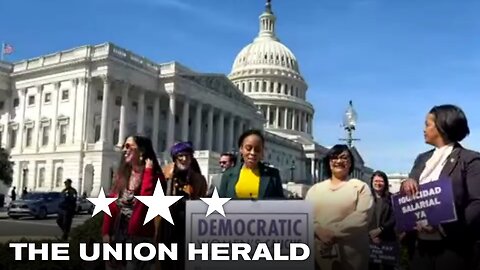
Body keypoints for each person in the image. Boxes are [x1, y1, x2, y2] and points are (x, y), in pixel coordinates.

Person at [400, 104, 480, 270]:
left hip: (453, 248)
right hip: (420, 247)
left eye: (427, 124)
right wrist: (406, 183)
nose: (423, 129)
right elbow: (410, 185)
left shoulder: (470, 159)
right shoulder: (422, 159)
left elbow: (477, 203)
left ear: (443, 126)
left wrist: (443, 227)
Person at [305, 144, 373, 270]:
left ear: (351, 163)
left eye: (344, 158)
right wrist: (317, 229)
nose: (339, 161)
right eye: (334, 158)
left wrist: (331, 232)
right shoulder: (314, 189)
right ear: (328, 162)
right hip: (319, 255)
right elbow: (306, 216)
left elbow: (362, 216)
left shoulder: (360, 187)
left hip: (351, 257)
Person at [102, 135, 164, 270]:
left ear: (141, 151)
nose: (124, 149)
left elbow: (145, 202)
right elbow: (112, 204)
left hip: (141, 239)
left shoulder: (155, 177)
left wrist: (148, 171)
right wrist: (106, 232)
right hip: (119, 237)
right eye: (124, 146)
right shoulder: (123, 174)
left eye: (129, 146)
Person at [155, 141, 207, 270]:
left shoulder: (198, 179)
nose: (184, 159)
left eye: (188, 156)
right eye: (181, 156)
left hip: (187, 226)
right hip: (167, 225)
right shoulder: (166, 174)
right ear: (175, 158)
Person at [219, 129, 284, 199]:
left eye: (257, 149)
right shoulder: (228, 174)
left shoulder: (273, 175)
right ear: (241, 149)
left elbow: (280, 203)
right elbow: (221, 201)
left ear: (262, 151)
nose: (253, 153)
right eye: (248, 148)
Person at [368, 170, 397, 270]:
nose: (378, 184)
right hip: (369, 240)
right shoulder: (365, 197)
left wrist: (380, 230)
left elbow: (394, 217)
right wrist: (371, 234)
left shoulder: (392, 198)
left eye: (381, 181)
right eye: (376, 181)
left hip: (387, 239)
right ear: (371, 182)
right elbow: (361, 216)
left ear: (385, 183)